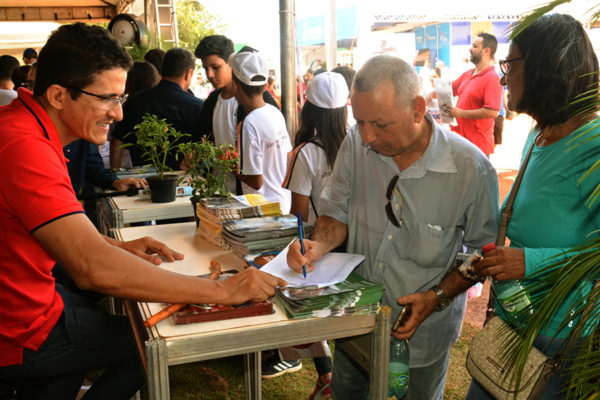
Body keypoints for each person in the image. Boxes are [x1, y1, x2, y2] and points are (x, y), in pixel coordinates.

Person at [0, 23, 285, 399]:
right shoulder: (25, 146)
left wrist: (116, 248)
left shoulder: (20, 125)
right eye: (108, 99)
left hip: (30, 304)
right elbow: (91, 268)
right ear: (57, 95)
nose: (118, 114)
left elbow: (55, 236)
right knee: (149, 344)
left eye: (121, 98)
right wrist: (220, 290)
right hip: (19, 328)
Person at [286, 55, 499, 400]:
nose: (367, 137)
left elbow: (482, 252)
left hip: (422, 335)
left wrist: (438, 296)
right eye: (360, 122)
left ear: (418, 109)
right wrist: (319, 246)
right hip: (356, 320)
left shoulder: (472, 169)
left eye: (380, 125)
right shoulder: (355, 142)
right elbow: (335, 208)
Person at [467, 13, 600, 399]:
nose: (504, 77)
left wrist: (530, 262)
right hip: (514, 324)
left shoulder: (593, 145)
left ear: (547, 67)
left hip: (564, 336)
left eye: (511, 64)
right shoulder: (539, 136)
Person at [277, 71, 349, 399]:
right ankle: (332, 377)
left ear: (309, 110)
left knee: (311, 317)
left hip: (319, 249)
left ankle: (326, 375)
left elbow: (299, 215)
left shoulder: (305, 152)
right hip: (353, 246)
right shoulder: (356, 144)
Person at [194, 35, 279, 194]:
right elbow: (202, 140)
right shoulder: (211, 101)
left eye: (215, 67)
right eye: (206, 68)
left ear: (232, 63)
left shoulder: (260, 99)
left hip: (257, 196)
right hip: (219, 191)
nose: (210, 74)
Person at [110, 47, 204, 170]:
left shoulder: (135, 101)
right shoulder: (197, 106)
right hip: (183, 181)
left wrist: (115, 174)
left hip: (141, 180)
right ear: (188, 74)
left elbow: (117, 141)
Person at [229, 49, 292, 214]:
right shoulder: (275, 112)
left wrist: (231, 167)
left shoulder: (248, 123)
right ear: (265, 86)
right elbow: (288, 157)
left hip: (263, 210)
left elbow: (256, 181)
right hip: (284, 203)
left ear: (235, 85)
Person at [445, 33, 503, 157]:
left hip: (477, 145)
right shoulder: (468, 74)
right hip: (460, 140)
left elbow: (492, 111)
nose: (470, 49)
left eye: (475, 46)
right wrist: (431, 94)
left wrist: (460, 113)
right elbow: (448, 89)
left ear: (486, 51)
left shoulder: (492, 78)